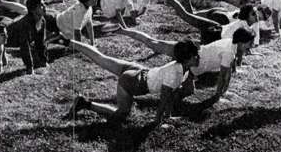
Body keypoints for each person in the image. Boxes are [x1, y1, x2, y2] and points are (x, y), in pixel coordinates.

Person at [65, 39, 200, 125]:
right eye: (195, 56)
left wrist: (168, 116)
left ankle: (69, 41)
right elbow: (165, 97)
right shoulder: (176, 73)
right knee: (121, 114)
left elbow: (170, 95)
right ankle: (84, 103)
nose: (198, 57)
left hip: (139, 71)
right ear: (187, 59)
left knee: (102, 58)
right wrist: (158, 121)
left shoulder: (182, 66)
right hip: (133, 81)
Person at [116, 26, 255, 103]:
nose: (252, 45)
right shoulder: (229, 52)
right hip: (189, 56)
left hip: (192, 62)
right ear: (242, 42)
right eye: (250, 43)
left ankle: (163, 98)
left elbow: (228, 73)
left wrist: (224, 91)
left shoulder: (231, 44)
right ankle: (122, 30)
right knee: (153, 42)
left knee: (187, 91)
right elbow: (224, 75)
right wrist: (219, 96)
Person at [152, 0, 268, 53]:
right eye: (254, 14)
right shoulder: (244, 27)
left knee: (187, 16)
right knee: (186, 16)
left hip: (215, 27)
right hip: (215, 32)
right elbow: (237, 50)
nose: (257, 16)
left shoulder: (247, 24)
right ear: (247, 16)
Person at [6, 0, 48, 74]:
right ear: (33, 10)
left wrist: (44, 60)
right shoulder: (25, 24)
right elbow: (25, 47)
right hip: (8, 39)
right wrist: (30, 67)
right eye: (41, 5)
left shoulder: (42, 21)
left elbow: (41, 42)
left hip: (19, 39)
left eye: (44, 4)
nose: (44, 6)